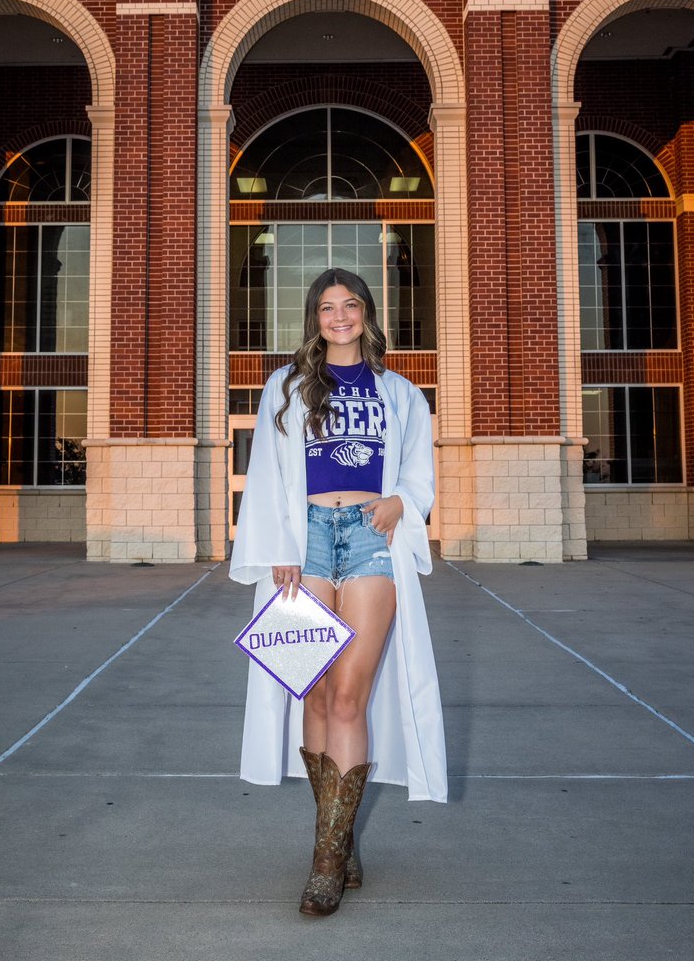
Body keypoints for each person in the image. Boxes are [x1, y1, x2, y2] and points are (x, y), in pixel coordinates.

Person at [230, 268, 446, 917]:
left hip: (372, 539)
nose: (339, 317)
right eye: (327, 307)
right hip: (308, 543)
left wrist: (401, 502)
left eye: (350, 305)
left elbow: (418, 471)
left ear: (368, 313)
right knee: (315, 689)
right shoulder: (288, 386)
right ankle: (339, 832)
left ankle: (325, 862)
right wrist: (277, 550)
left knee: (350, 696)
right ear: (314, 318)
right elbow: (267, 473)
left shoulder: (400, 392)